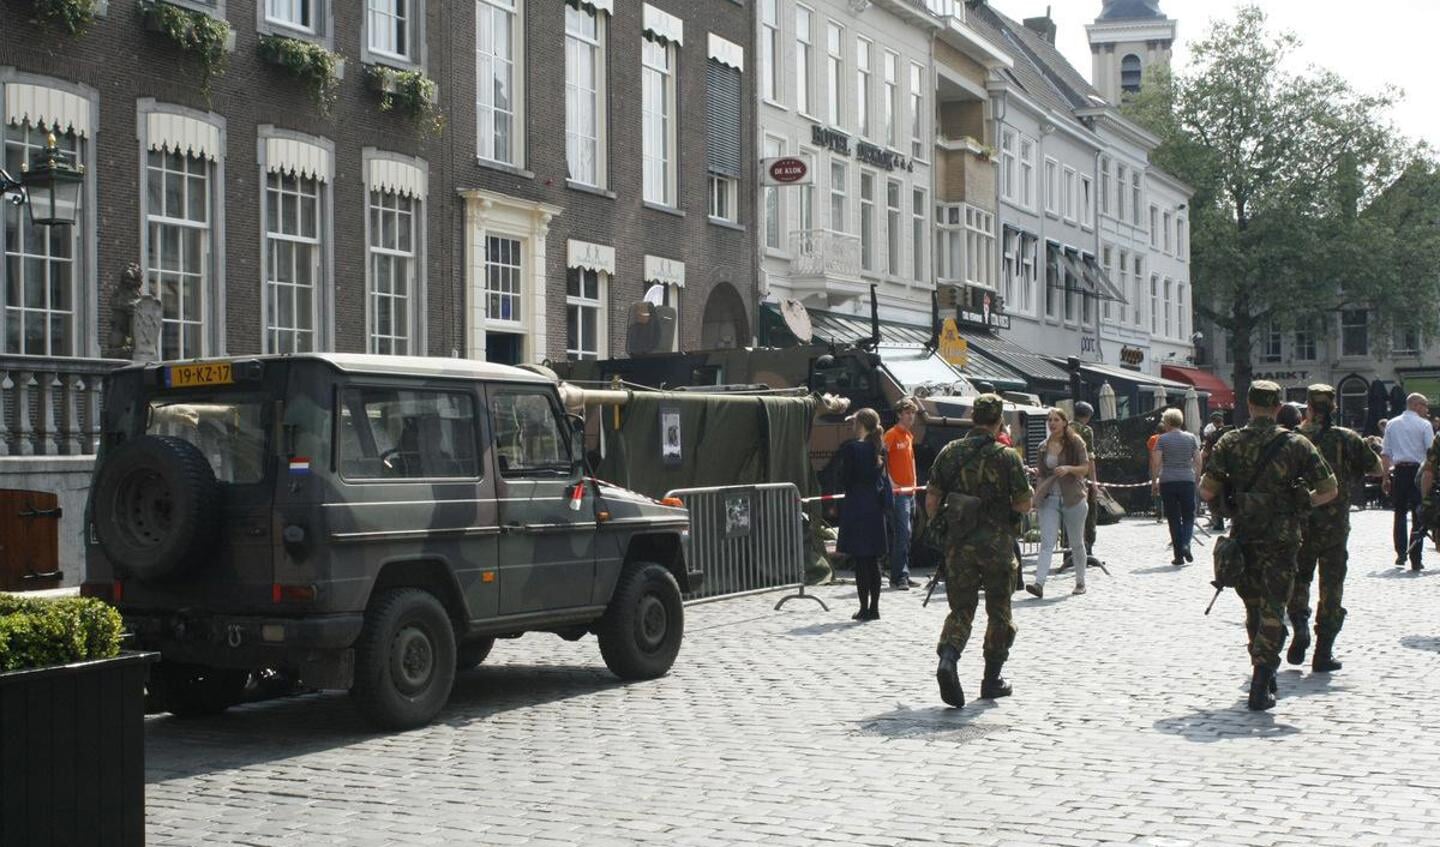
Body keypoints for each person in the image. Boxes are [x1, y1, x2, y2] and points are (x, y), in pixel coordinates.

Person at [1200, 381, 1338, 711]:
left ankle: (1261, 665)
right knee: (1275, 605)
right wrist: (1303, 502)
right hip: (1283, 537)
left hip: (1245, 535)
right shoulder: (1296, 443)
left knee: (1252, 607)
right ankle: (1262, 677)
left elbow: (1206, 490)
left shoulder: (1229, 441)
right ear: (1278, 407)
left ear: (1249, 405)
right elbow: (1330, 489)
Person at [929, 394, 1033, 709]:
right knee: (999, 611)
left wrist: (942, 530)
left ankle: (949, 658)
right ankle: (991, 680)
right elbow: (1023, 503)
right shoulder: (1006, 456)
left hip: (959, 545)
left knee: (961, 609)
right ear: (999, 419)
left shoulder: (949, 452)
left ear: (973, 417)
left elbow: (932, 498)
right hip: (997, 545)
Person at [1286, 384, 1383, 672]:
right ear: (1334, 408)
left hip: (1300, 523)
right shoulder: (1346, 438)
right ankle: (1323, 652)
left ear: (1309, 407)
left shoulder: (1293, 439)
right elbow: (1376, 468)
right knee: (1332, 588)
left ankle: (1300, 626)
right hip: (1335, 526)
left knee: (1299, 579)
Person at [1027, 408, 1091, 598]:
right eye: (1049, 420)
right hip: (1050, 499)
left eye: (1056, 419)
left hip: (1073, 498)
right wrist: (1036, 498)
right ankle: (1039, 583)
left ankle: (1080, 581)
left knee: (1076, 543)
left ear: (1064, 422)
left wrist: (1069, 468)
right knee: (1047, 542)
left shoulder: (1076, 442)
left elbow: (1085, 468)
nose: (1052, 423)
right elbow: (1041, 475)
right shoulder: (1043, 446)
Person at [836, 408, 891, 620]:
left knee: (861, 561)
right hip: (874, 508)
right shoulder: (879, 449)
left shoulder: (852, 449)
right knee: (873, 561)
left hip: (857, 506)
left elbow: (845, 478)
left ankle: (863, 607)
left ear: (860, 425)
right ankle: (875, 608)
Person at [1381, 393, 1433, 570]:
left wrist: (1386, 476)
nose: (1427, 410)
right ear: (1416, 405)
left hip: (1399, 471)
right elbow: (1430, 453)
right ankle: (1416, 556)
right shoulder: (1424, 425)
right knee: (1418, 513)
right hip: (1418, 471)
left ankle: (1401, 552)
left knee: (1399, 513)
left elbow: (1386, 453)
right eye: (1425, 405)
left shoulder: (1392, 423)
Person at [1150, 408, 1202, 565]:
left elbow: (1156, 462)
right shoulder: (1191, 438)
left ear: (1168, 422)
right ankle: (1186, 543)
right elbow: (1198, 461)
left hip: (1168, 481)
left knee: (1173, 518)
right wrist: (1197, 478)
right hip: (1187, 479)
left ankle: (1178, 555)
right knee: (1188, 515)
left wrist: (1154, 481)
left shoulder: (1162, 439)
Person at [883, 399, 921, 590]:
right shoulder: (891, 434)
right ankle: (898, 576)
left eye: (912, 413)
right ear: (899, 414)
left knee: (907, 534)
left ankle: (903, 572)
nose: (911, 416)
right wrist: (891, 482)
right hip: (898, 492)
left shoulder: (908, 436)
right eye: (907, 413)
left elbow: (911, 460)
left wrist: (914, 482)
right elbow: (882, 458)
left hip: (909, 491)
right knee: (902, 533)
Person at [1070, 401, 1100, 561]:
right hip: (1083, 478)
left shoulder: (1064, 428)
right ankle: (1087, 550)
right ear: (1087, 416)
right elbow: (1090, 458)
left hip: (1066, 477)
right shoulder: (1086, 431)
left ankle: (1068, 551)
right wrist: (1094, 482)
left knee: (1069, 513)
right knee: (1088, 513)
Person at [1201, 412, 1233, 530]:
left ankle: (1218, 522)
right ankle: (1234, 520)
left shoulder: (1213, 436)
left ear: (1213, 422)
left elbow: (1205, 453)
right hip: (1232, 469)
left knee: (1215, 496)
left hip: (1217, 469)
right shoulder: (1232, 433)